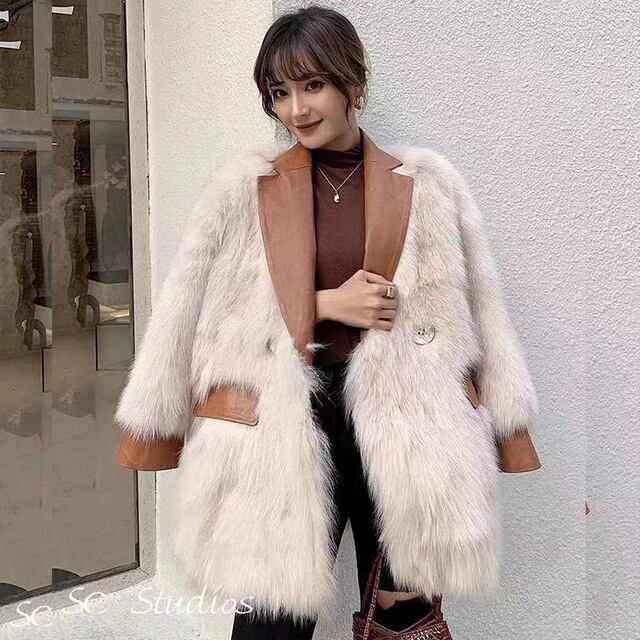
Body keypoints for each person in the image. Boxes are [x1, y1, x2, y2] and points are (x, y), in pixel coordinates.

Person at [114, 4, 542, 639]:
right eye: (279, 92)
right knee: (271, 621)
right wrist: (321, 307)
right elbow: (198, 317)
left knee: (403, 614)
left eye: (312, 84)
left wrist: (508, 429)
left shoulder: (428, 186)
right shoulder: (245, 191)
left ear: (352, 83)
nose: (296, 109)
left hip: (408, 425)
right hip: (287, 424)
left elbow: (482, 311)